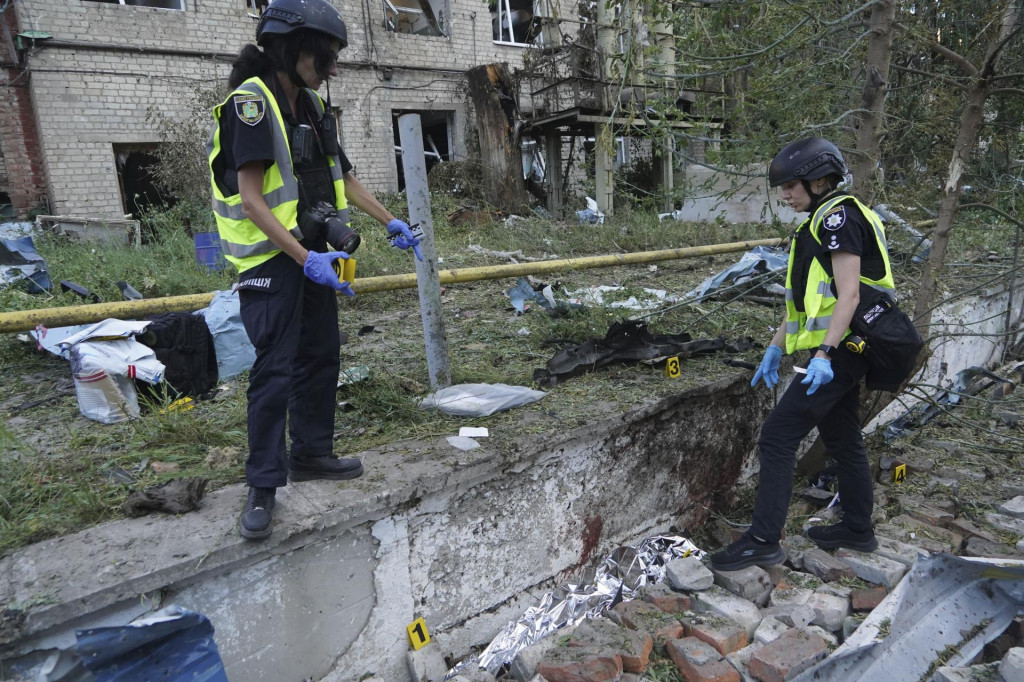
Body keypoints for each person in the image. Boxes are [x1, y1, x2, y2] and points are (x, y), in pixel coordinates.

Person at [207, 0, 422, 540]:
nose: (330, 66)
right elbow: (254, 201)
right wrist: (306, 260)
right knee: (274, 369)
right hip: (272, 257)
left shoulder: (310, 106)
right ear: (290, 47)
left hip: (316, 254)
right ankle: (262, 485)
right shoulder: (251, 105)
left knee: (322, 354)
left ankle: (310, 453)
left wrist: (393, 220)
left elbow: (342, 178)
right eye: (324, 54)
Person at [709, 137, 896, 571]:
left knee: (777, 435)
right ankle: (857, 529)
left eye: (790, 185)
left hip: (845, 348)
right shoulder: (819, 222)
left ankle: (762, 539)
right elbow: (805, 303)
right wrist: (775, 349)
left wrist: (825, 355)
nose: (784, 194)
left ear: (818, 180)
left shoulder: (838, 218)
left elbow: (848, 296)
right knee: (843, 437)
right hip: (840, 348)